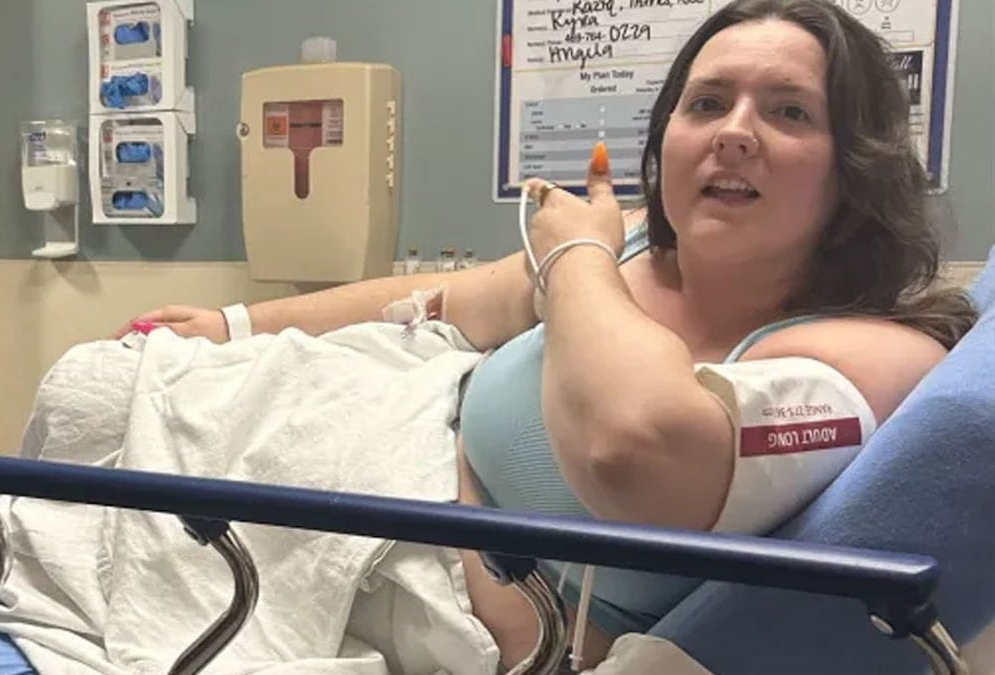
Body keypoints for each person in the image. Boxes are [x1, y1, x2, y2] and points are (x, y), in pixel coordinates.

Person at [114, 0, 977, 669]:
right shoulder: (624, 245)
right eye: (707, 103)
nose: (734, 133)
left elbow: (634, 449)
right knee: (114, 386)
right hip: (376, 439)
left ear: (854, 165)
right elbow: (443, 300)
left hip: (449, 608)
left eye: (790, 112)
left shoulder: (876, 353)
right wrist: (232, 323)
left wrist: (570, 255)